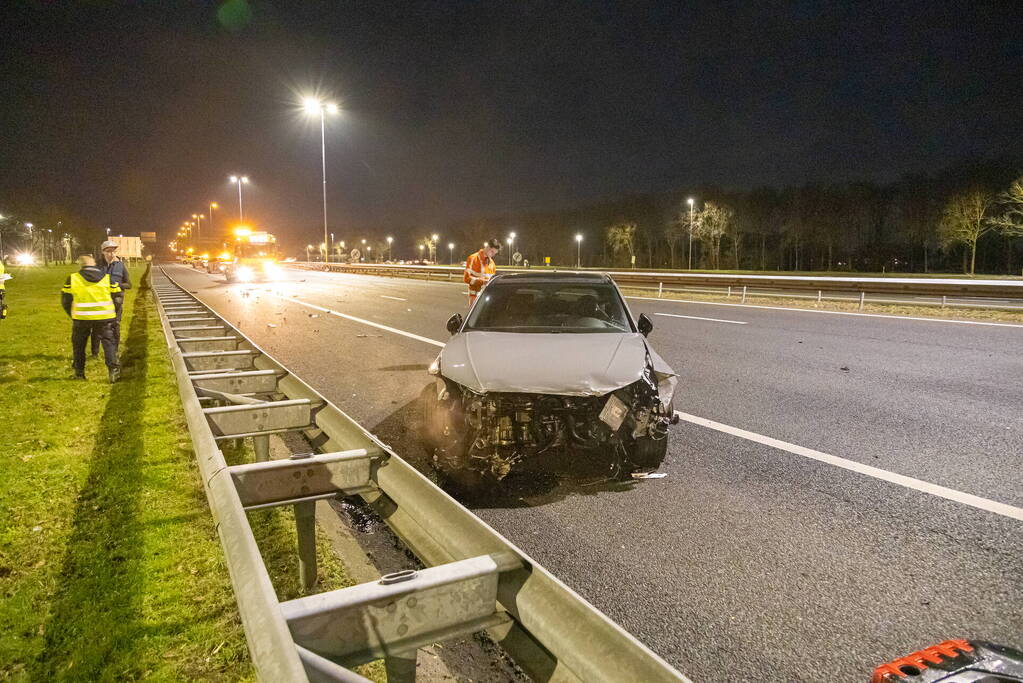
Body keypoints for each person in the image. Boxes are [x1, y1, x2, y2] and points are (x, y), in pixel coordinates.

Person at [62, 254, 121, 382]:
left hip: (81, 317)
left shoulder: (72, 278)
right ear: (94, 264)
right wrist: (113, 312)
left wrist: (72, 314)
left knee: (79, 345)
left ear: (80, 265)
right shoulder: (107, 278)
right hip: (105, 316)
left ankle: (79, 373)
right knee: (108, 343)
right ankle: (113, 372)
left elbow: (66, 300)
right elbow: (117, 297)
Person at [91, 240, 131, 357]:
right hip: (100, 302)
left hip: (116, 303)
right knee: (97, 327)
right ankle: (95, 353)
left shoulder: (120, 265)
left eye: (113, 251)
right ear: (103, 252)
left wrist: (118, 286)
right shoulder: (96, 266)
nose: (111, 254)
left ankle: (115, 350)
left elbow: (129, 284)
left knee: (115, 326)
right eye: (108, 251)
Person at [463, 238, 501, 306]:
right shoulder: (473, 258)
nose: (493, 255)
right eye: (492, 252)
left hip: (486, 299)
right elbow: (466, 278)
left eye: (495, 253)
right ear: (487, 247)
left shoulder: (492, 263)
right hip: (474, 299)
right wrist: (483, 282)